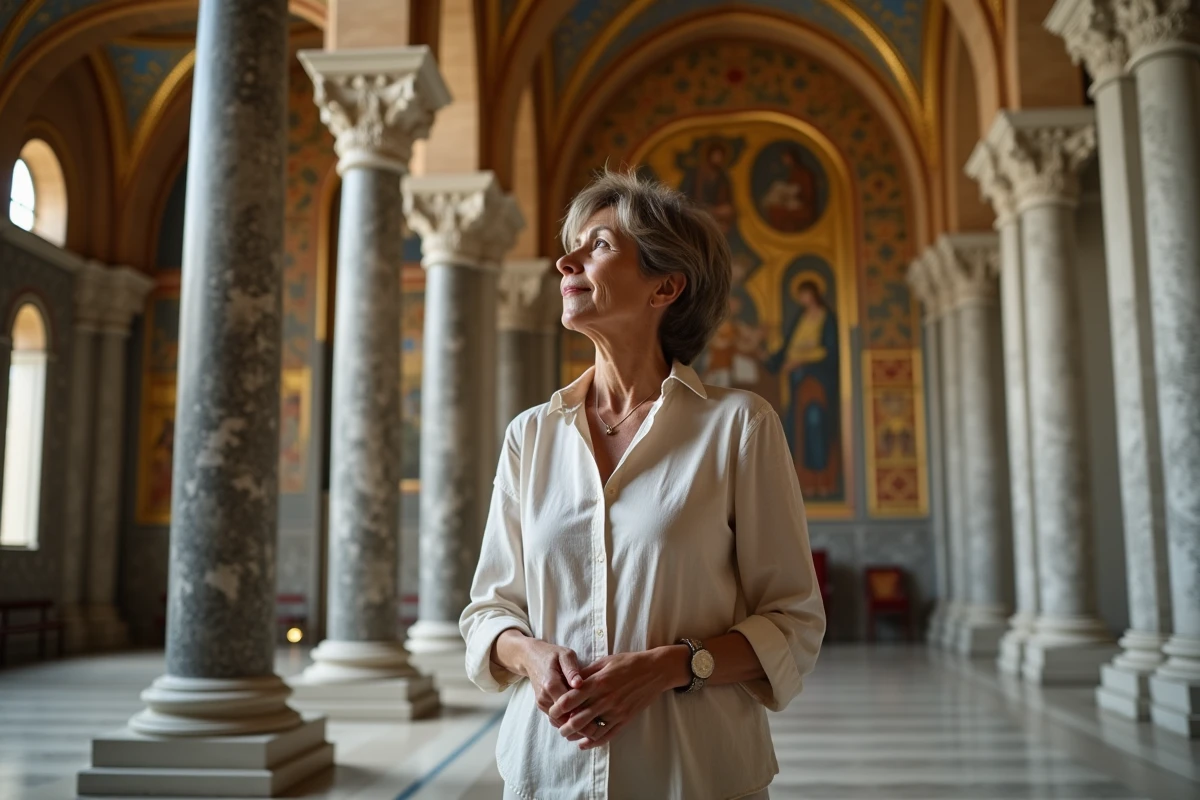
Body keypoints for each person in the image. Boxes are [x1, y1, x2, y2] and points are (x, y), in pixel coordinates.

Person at [460, 169, 826, 800]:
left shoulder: (738, 427)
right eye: (571, 244)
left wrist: (670, 667)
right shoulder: (532, 435)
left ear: (666, 286)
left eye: (598, 245)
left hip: (697, 775)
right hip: (548, 771)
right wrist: (529, 656)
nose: (565, 260)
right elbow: (488, 612)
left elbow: (793, 623)